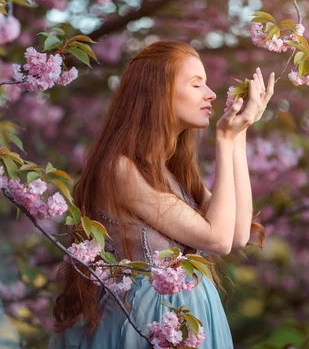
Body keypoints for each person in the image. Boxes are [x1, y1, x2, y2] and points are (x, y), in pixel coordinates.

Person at [50, 41, 273, 348]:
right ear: (159, 92)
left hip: (191, 317)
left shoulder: (172, 172)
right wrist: (223, 138)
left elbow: (237, 234)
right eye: (196, 84)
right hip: (148, 319)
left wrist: (240, 134)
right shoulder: (121, 170)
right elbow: (218, 240)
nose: (210, 93)